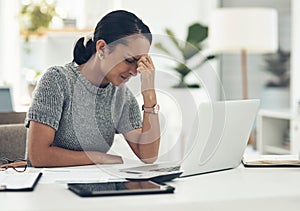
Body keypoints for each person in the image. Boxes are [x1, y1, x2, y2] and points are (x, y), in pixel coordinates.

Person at [25, 10, 160, 167]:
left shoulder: (122, 97)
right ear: (102, 48)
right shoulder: (57, 80)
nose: (134, 71)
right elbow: (39, 156)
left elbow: (148, 156)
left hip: (94, 185)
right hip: (49, 187)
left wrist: (149, 94)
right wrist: (99, 158)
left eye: (140, 63)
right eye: (130, 60)